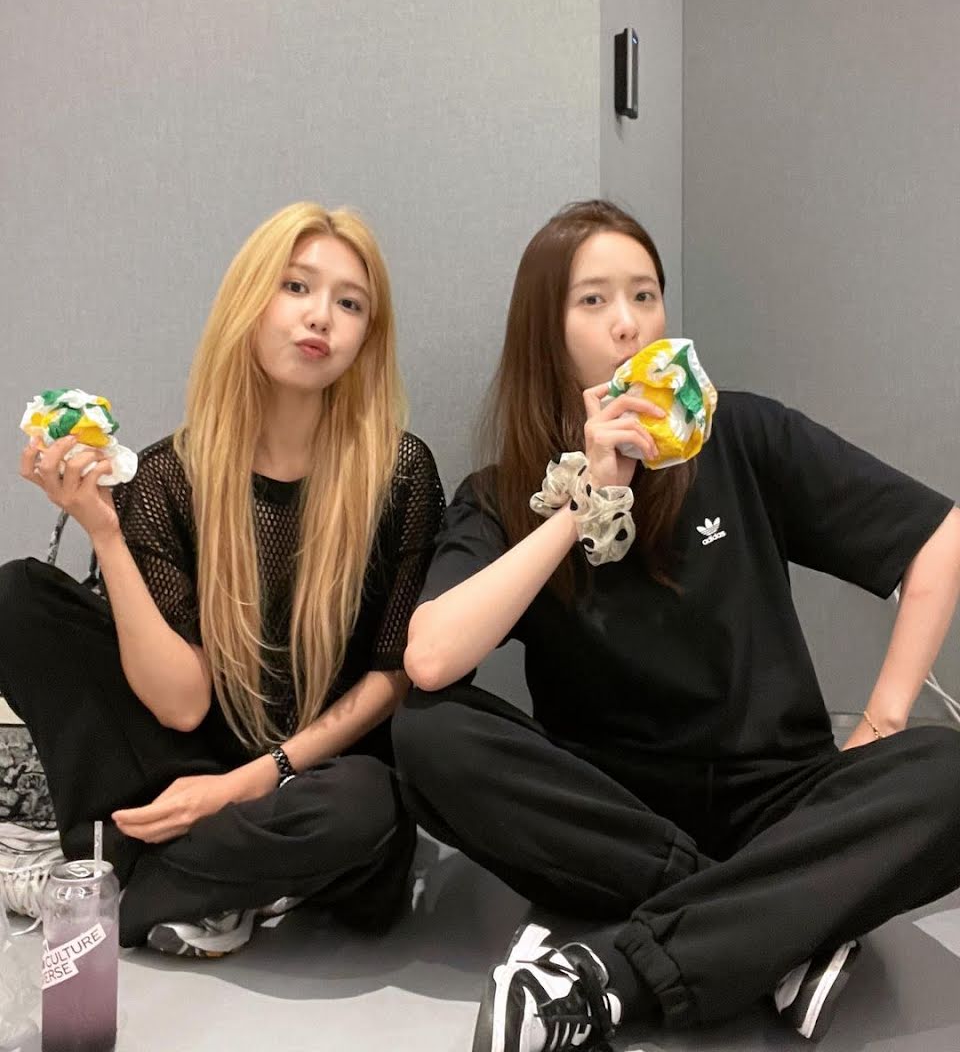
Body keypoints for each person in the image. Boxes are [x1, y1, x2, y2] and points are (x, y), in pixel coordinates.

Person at [394, 199, 960, 1049]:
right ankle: (777, 931)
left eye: (645, 296)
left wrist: (881, 722)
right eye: (593, 301)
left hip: (781, 798)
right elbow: (432, 658)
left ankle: (613, 975)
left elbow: (939, 536)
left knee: (949, 770)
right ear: (547, 333)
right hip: (615, 819)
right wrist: (584, 502)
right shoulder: (502, 495)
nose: (628, 323)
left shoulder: (745, 434)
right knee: (426, 733)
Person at [0, 201, 444, 956]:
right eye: (296, 287)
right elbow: (180, 705)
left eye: (350, 304)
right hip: (192, 762)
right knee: (18, 594)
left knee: (364, 806)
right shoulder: (170, 474)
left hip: (316, 778)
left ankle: (141, 886)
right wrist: (106, 533)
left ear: (368, 337)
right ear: (249, 302)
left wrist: (250, 784)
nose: (321, 316)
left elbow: (393, 677)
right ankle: (228, 883)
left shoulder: (399, 473)